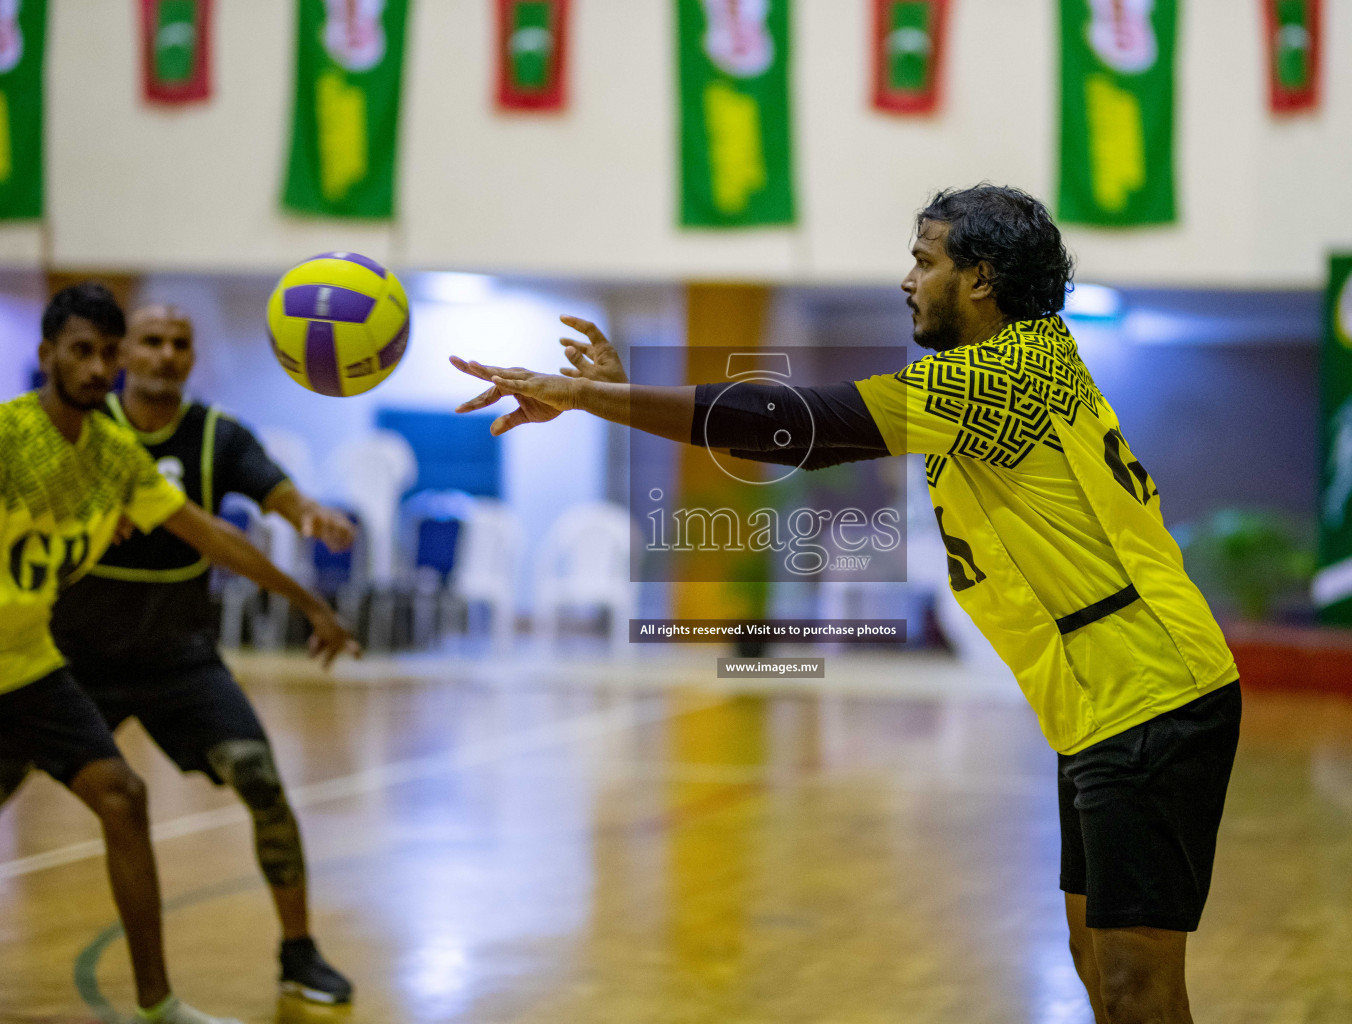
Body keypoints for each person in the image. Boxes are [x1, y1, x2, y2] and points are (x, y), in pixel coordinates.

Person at [452, 186, 1242, 1024]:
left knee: (1135, 986)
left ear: (980, 279)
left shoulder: (1003, 378)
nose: (906, 278)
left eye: (924, 259)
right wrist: (622, 396)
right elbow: (802, 434)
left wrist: (597, 398)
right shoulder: (1020, 362)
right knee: (1095, 961)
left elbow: (795, 424)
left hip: (1153, 692)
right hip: (1098, 701)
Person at [0, 284, 356, 1024]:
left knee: (172, 791)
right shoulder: (16, 437)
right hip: (72, 651)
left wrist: (313, 598)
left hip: (141, 657)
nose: (104, 366)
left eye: (110, 350)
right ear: (50, 358)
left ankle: (193, 993)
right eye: (88, 352)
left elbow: (228, 528)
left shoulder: (139, 453)